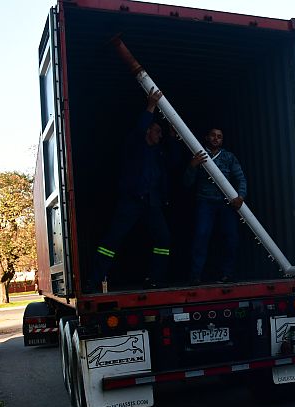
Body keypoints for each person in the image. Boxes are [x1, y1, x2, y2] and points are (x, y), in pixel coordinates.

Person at [88, 88, 178, 291]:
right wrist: (151, 106)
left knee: (163, 239)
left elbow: (174, 162)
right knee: (113, 239)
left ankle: (156, 279)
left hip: (152, 203)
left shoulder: (159, 153)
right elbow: (140, 128)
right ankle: (95, 279)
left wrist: (172, 137)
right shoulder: (135, 145)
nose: (160, 135)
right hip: (131, 201)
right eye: (157, 131)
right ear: (148, 132)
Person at [184, 128, 247, 284]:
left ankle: (227, 274)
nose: (216, 138)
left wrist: (241, 196)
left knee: (231, 237)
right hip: (205, 202)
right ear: (207, 137)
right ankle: (195, 275)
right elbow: (186, 183)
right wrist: (192, 166)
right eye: (213, 135)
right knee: (201, 236)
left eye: (219, 136)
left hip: (225, 203)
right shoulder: (199, 154)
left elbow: (241, 178)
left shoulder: (228, 157)